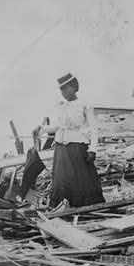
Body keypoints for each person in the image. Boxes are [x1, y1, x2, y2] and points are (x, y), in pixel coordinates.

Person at [34, 73, 105, 208]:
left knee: (80, 180)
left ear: (74, 87)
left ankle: (83, 208)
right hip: (61, 149)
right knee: (61, 181)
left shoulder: (84, 105)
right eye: (61, 89)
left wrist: (93, 149)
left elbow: (94, 128)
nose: (63, 92)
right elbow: (58, 126)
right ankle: (62, 207)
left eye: (66, 88)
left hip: (77, 148)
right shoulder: (61, 105)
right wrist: (41, 129)